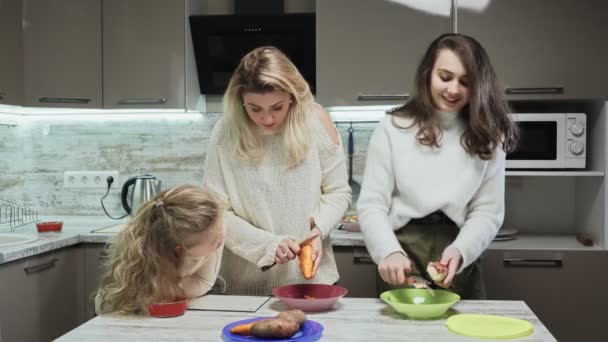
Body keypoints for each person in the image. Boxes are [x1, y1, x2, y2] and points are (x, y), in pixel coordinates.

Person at [357, 33, 518, 299]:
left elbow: (487, 211)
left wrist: (461, 251)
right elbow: (372, 204)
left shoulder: (491, 135)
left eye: (466, 82)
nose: (454, 90)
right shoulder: (393, 127)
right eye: (445, 77)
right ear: (427, 74)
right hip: (402, 249)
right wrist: (388, 251)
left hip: (458, 250)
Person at [203, 46, 351, 295]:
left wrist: (316, 233)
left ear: (292, 96)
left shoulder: (315, 121)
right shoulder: (224, 133)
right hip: (244, 286)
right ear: (240, 101)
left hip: (311, 283)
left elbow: (338, 192)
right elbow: (216, 213)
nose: (267, 119)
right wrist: (269, 245)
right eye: (255, 109)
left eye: (277, 107)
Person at [95, 185, 225, 315]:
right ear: (180, 250)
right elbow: (109, 308)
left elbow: (204, 281)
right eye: (216, 243)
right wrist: (162, 292)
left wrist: (171, 291)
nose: (222, 238)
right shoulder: (139, 264)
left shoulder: (210, 227)